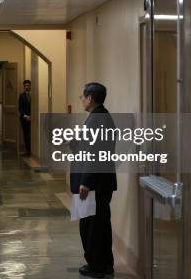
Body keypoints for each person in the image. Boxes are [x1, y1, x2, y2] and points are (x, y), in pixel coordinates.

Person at [71, 82, 117, 278]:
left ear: (90, 98)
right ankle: (104, 263)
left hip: (94, 184)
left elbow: (96, 154)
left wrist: (86, 182)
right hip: (100, 183)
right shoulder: (101, 116)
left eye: (83, 96)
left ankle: (96, 266)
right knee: (100, 223)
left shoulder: (98, 120)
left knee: (92, 226)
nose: (81, 100)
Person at [18, 79, 32, 155]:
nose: (27, 87)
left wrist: (32, 116)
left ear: (30, 86)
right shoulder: (21, 96)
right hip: (24, 118)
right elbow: (20, 108)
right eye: (25, 85)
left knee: (32, 134)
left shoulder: (34, 95)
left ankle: (33, 150)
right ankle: (27, 150)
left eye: (28, 85)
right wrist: (25, 116)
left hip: (33, 118)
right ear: (24, 87)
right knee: (26, 134)